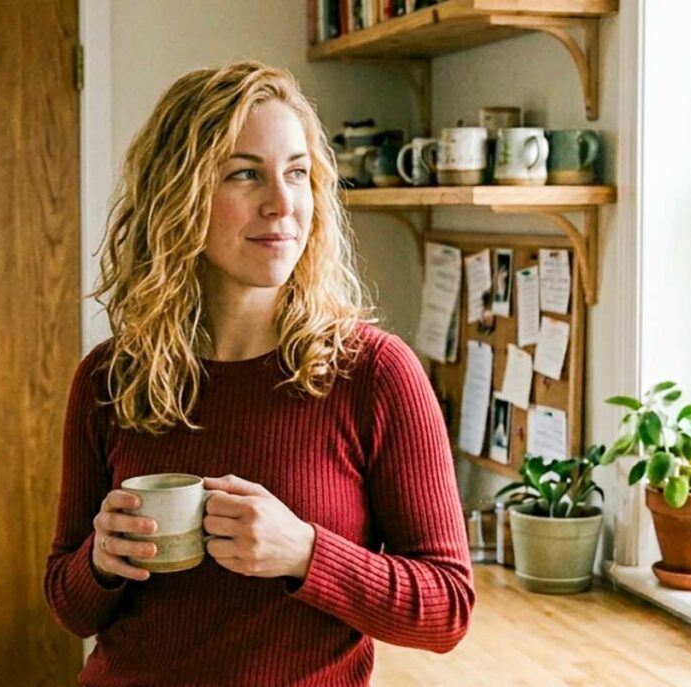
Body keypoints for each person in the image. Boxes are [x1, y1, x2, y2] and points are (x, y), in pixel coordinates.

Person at [44, 60, 475, 686]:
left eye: (297, 173)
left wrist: (304, 553)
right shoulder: (109, 378)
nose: (282, 204)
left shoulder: (376, 375)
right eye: (246, 174)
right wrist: (101, 560)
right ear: (178, 196)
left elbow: (447, 608)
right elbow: (68, 604)